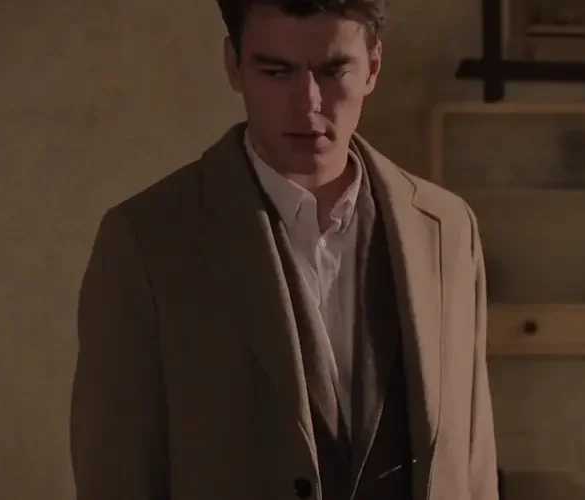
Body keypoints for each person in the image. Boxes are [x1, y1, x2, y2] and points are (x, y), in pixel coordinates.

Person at [69, 1, 498, 498]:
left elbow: (472, 457)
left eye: (334, 71)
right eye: (276, 72)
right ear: (234, 66)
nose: (308, 102)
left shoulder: (447, 227)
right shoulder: (147, 239)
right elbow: (117, 472)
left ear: (373, 67)